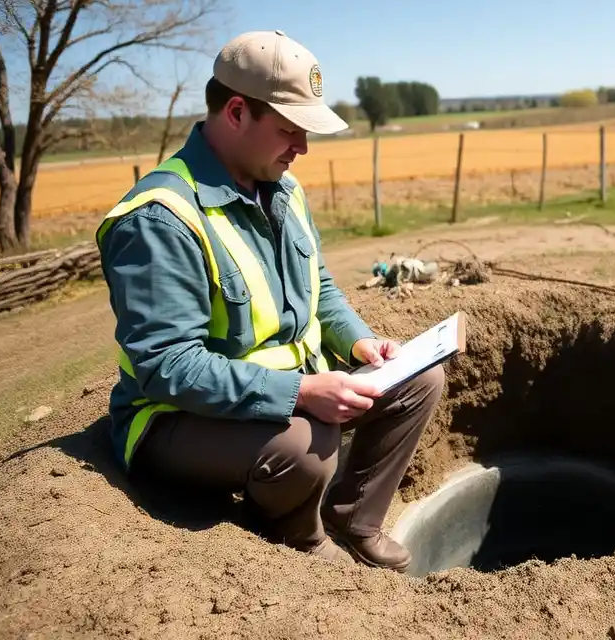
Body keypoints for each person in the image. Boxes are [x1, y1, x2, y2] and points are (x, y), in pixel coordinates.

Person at [95, 30, 444, 572]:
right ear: (236, 112)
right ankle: (299, 536)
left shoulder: (283, 187)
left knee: (420, 378)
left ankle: (356, 519)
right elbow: (165, 366)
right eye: (289, 131)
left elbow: (319, 286)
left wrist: (360, 343)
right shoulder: (159, 218)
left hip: (281, 388)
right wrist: (301, 391)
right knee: (306, 447)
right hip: (174, 418)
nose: (301, 149)